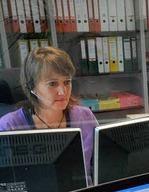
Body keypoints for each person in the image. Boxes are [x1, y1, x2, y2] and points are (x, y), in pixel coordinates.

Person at [0, 46, 98, 180]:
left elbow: (101, 169)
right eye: (52, 84)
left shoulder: (85, 117)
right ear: (31, 87)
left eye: (67, 82)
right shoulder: (9, 126)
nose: (63, 91)